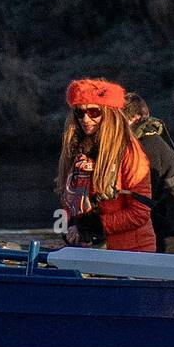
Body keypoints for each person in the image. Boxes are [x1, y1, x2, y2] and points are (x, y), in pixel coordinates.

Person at [56, 78, 155, 252]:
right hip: (90, 250)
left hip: (131, 253)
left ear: (109, 113)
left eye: (94, 112)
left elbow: (140, 213)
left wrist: (89, 227)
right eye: (80, 113)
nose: (85, 119)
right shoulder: (77, 151)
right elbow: (68, 201)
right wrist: (71, 229)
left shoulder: (129, 151)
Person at [122, 92, 174, 254]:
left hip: (172, 226)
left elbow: (140, 195)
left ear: (135, 118)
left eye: (121, 119)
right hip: (170, 220)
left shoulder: (148, 145)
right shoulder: (148, 142)